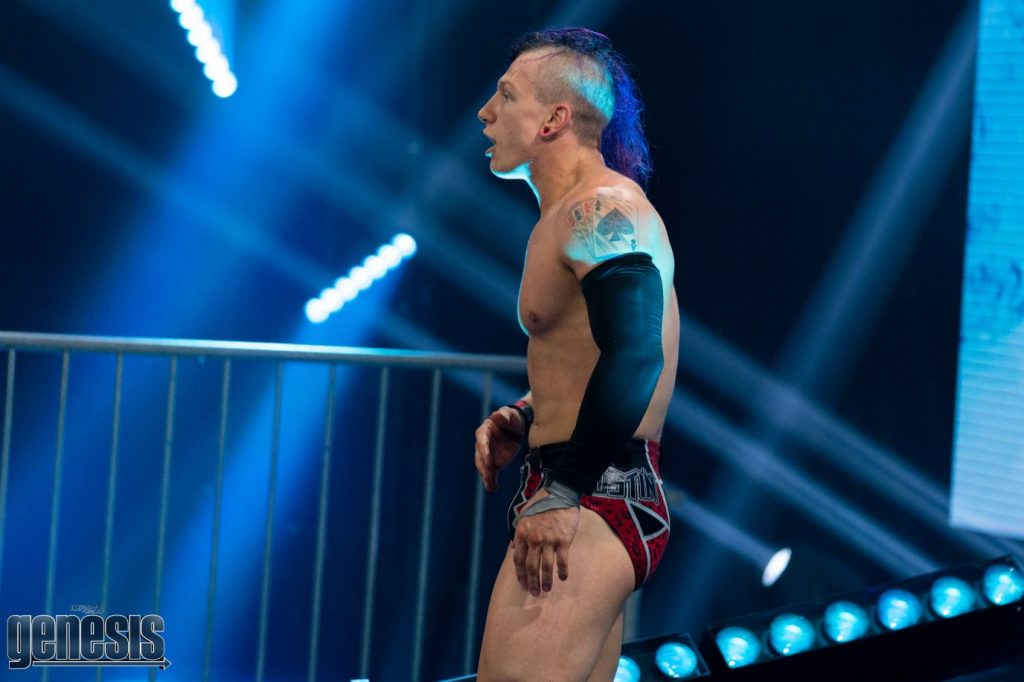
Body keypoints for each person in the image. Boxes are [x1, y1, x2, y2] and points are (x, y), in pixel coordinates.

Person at [472, 28, 680, 681]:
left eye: (507, 96)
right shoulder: (567, 214)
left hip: (593, 490)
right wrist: (527, 414)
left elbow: (638, 352)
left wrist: (564, 491)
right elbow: (600, 352)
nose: (485, 113)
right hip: (587, 485)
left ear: (554, 119)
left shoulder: (601, 207)